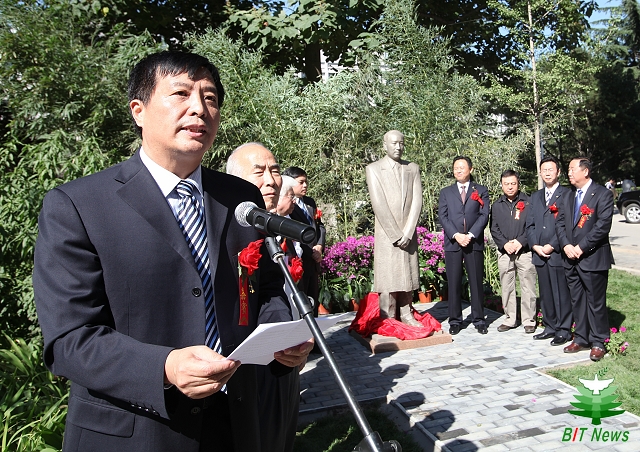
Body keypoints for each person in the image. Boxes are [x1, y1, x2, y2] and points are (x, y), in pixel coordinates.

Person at [32, 51, 311, 452]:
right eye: (180, 93)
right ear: (139, 111)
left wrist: (281, 333)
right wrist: (165, 367)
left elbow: (264, 288)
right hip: (135, 432)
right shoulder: (78, 206)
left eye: (210, 98)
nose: (199, 108)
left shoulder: (239, 197)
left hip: (235, 426)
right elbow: (70, 338)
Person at [227, 145, 304, 452]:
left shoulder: (279, 223)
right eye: (259, 172)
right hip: (241, 362)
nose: (271, 180)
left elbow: (273, 289)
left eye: (275, 171)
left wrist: (286, 333)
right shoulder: (227, 229)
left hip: (283, 352)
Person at [555, 157, 614, 362]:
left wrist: (581, 247)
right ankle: (581, 337)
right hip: (570, 257)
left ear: (585, 171)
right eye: (569, 169)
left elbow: (602, 226)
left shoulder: (602, 194)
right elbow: (560, 223)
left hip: (592, 257)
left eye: (572, 169)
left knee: (595, 301)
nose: (569, 173)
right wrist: (566, 245)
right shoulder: (568, 195)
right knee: (577, 300)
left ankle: (598, 341)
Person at [365, 130, 423, 327]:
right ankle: (388, 316)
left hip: (408, 231)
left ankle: (407, 313)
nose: (398, 147)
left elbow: (417, 201)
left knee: (408, 273)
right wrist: (396, 234)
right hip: (387, 233)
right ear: (385, 145)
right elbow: (378, 204)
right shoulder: (374, 169)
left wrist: (408, 231)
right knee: (388, 276)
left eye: (401, 143)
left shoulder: (412, 168)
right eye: (394, 143)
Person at [438, 156, 490, 335]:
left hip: (473, 242)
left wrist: (470, 235)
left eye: (462, 167)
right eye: (456, 168)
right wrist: (456, 235)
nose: (458, 170)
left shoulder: (481, 190)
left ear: (471, 169)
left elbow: (484, 214)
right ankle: (455, 320)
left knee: (475, 281)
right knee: (453, 283)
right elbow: (443, 216)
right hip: (453, 242)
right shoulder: (446, 192)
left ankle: (479, 319)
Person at [525, 156, 572, 345]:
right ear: (540, 173)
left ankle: (564, 329)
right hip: (539, 252)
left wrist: (552, 245)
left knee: (561, 292)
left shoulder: (566, 194)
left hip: (557, 252)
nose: (547, 173)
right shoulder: (535, 196)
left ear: (558, 172)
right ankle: (550, 326)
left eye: (550, 169)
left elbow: (567, 225)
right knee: (545, 292)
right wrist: (535, 245)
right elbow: (530, 224)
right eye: (544, 170)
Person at [490, 170, 537, 333]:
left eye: (513, 183)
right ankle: (510, 318)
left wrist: (520, 241)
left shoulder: (529, 202)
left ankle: (528, 319)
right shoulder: (497, 205)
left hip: (524, 251)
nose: (510, 187)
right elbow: (494, 228)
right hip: (505, 252)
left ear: (518, 184)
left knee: (528, 285)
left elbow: (533, 226)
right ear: (501, 185)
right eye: (506, 184)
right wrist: (504, 244)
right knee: (507, 286)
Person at [282, 166, 326, 316]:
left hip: (314, 261)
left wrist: (319, 246)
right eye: (301, 182)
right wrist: (310, 252)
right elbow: (293, 234)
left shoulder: (309, 202)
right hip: (299, 261)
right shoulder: (287, 206)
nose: (305, 185)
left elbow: (319, 226)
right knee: (301, 304)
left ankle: (314, 330)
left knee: (313, 301)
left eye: (306, 181)